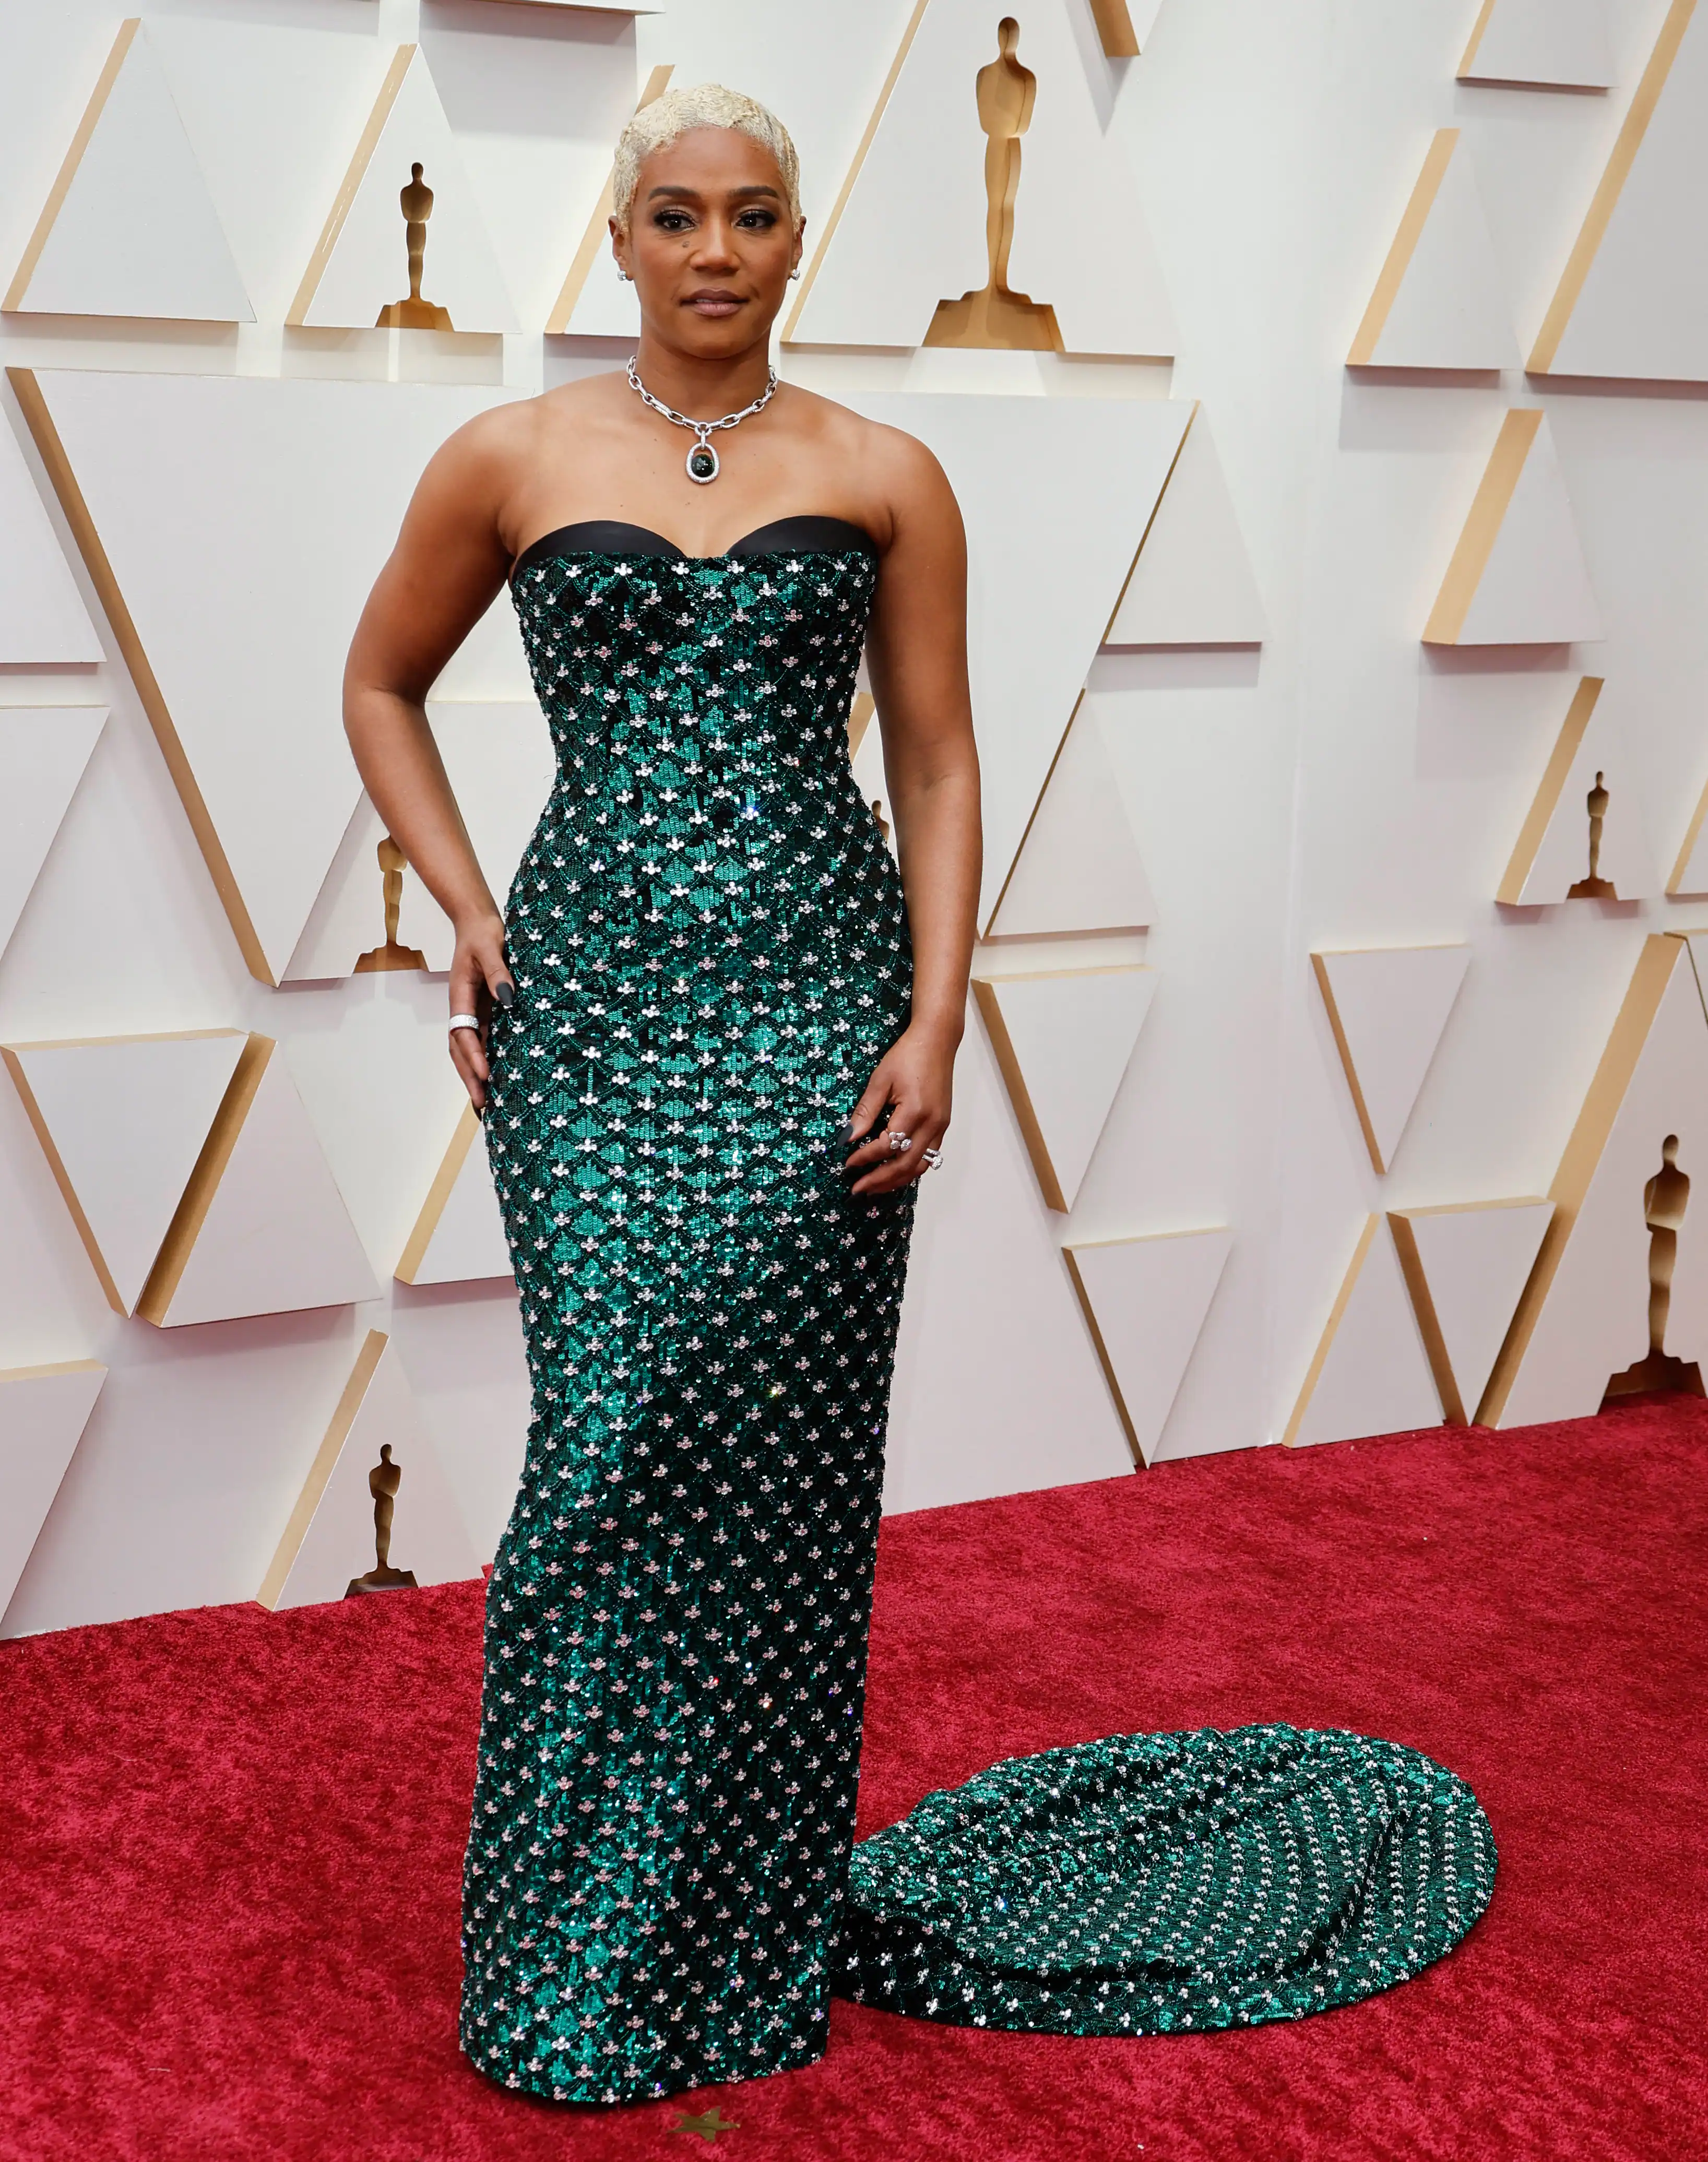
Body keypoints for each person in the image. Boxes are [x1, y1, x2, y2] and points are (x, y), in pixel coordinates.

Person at [343, 84, 981, 2104]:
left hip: (820, 1010)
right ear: (621, 236)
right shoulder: (511, 452)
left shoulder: (889, 471)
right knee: (608, 1451)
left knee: (785, 1490)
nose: (717, 250)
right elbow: (380, 680)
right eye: (680, 214)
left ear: (801, 240)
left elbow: (941, 759)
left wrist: (939, 1020)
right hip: (596, 1012)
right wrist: (459, 901)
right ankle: (572, 1961)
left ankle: (737, 1960)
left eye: (758, 215)